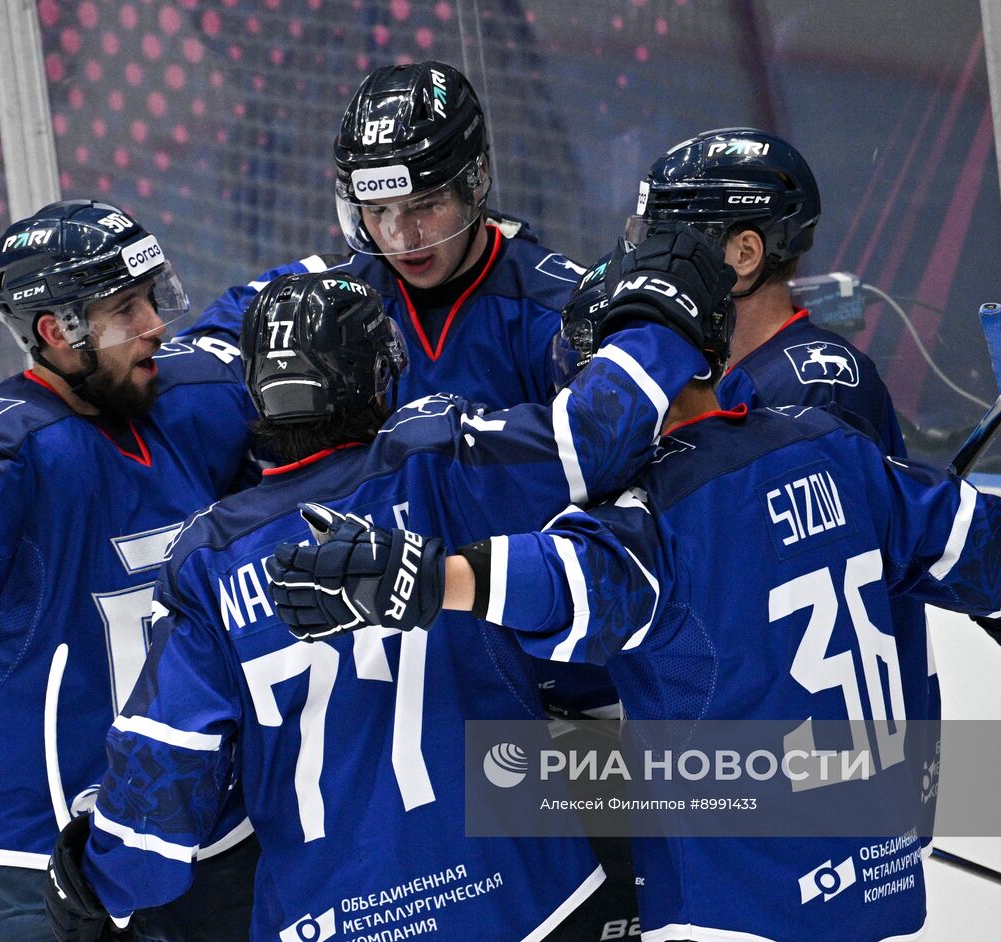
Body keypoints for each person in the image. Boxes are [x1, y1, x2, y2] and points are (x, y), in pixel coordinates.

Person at [268, 355, 1001, 942]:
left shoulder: (661, 512)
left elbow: (564, 584)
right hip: (877, 877)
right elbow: (974, 538)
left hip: (738, 906)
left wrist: (431, 576)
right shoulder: (836, 446)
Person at [40, 228, 737, 941]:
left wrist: (96, 880)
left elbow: (164, 781)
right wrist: (661, 321)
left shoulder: (209, 559)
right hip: (523, 901)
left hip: (328, 920)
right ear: (379, 377)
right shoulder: (434, 458)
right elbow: (591, 436)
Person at [0, 200, 262, 942]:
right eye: (126, 310)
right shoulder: (5, 455)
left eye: (152, 297)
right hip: (46, 854)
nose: (155, 325)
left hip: (212, 831)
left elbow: (260, 324)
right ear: (56, 332)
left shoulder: (196, 399)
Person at [629, 126, 948, 839]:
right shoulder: (716, 379)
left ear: (744, 254)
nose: (644, 261)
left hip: (828, 764)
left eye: (667, 241)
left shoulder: (811, 387)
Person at [188, 59, 585, 410]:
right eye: (378, 210)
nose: (401, 239)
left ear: (476, 180)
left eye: (426, 205)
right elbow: (203, 352)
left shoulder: (561, 308)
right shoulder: (328, 296)